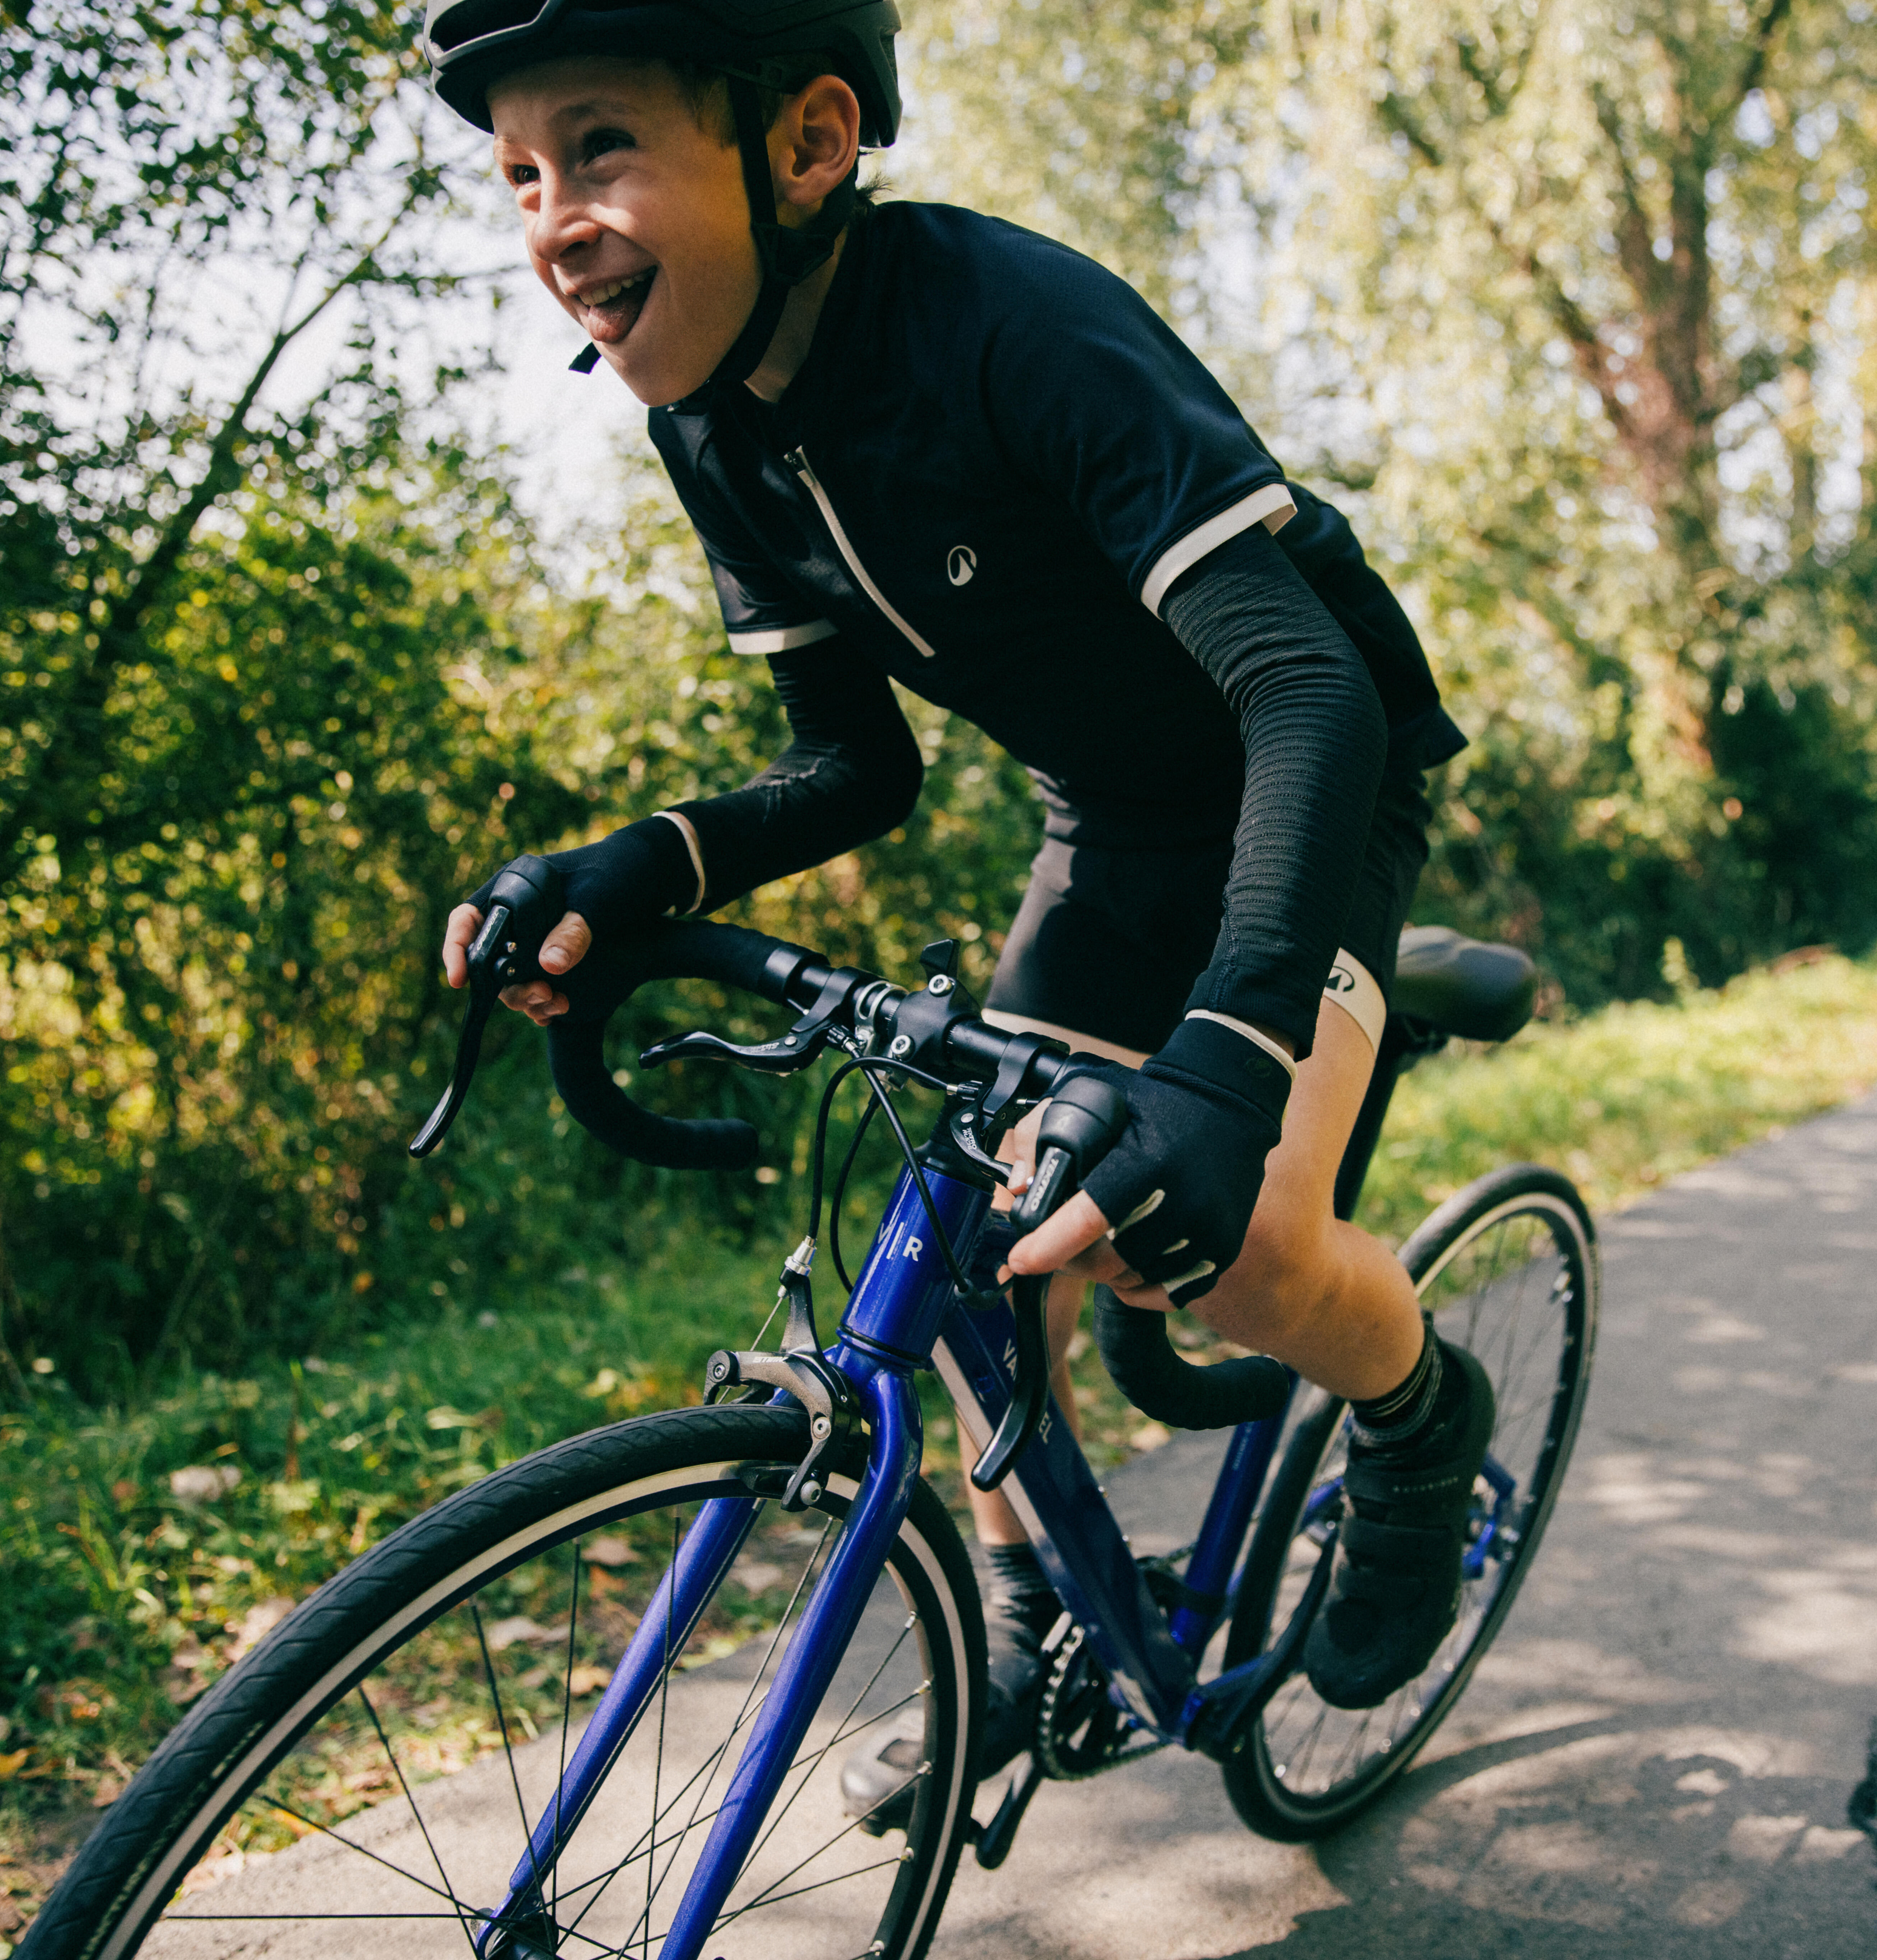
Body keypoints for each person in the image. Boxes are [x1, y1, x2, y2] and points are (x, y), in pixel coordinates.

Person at [423, 0, 1495, 1772]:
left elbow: (1301, 693)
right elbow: (855, 767)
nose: (552, 219)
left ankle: (1415, 1413)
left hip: (1313, 774)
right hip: (1113, 819)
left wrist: (1224, 1061)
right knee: (991, 1238)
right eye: (520, 173)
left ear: (806, 146)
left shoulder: (1008, 324)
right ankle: (1025, 1627)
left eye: (600, 146)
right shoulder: (709, 427)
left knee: (1238, 1267)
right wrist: (641, 866)